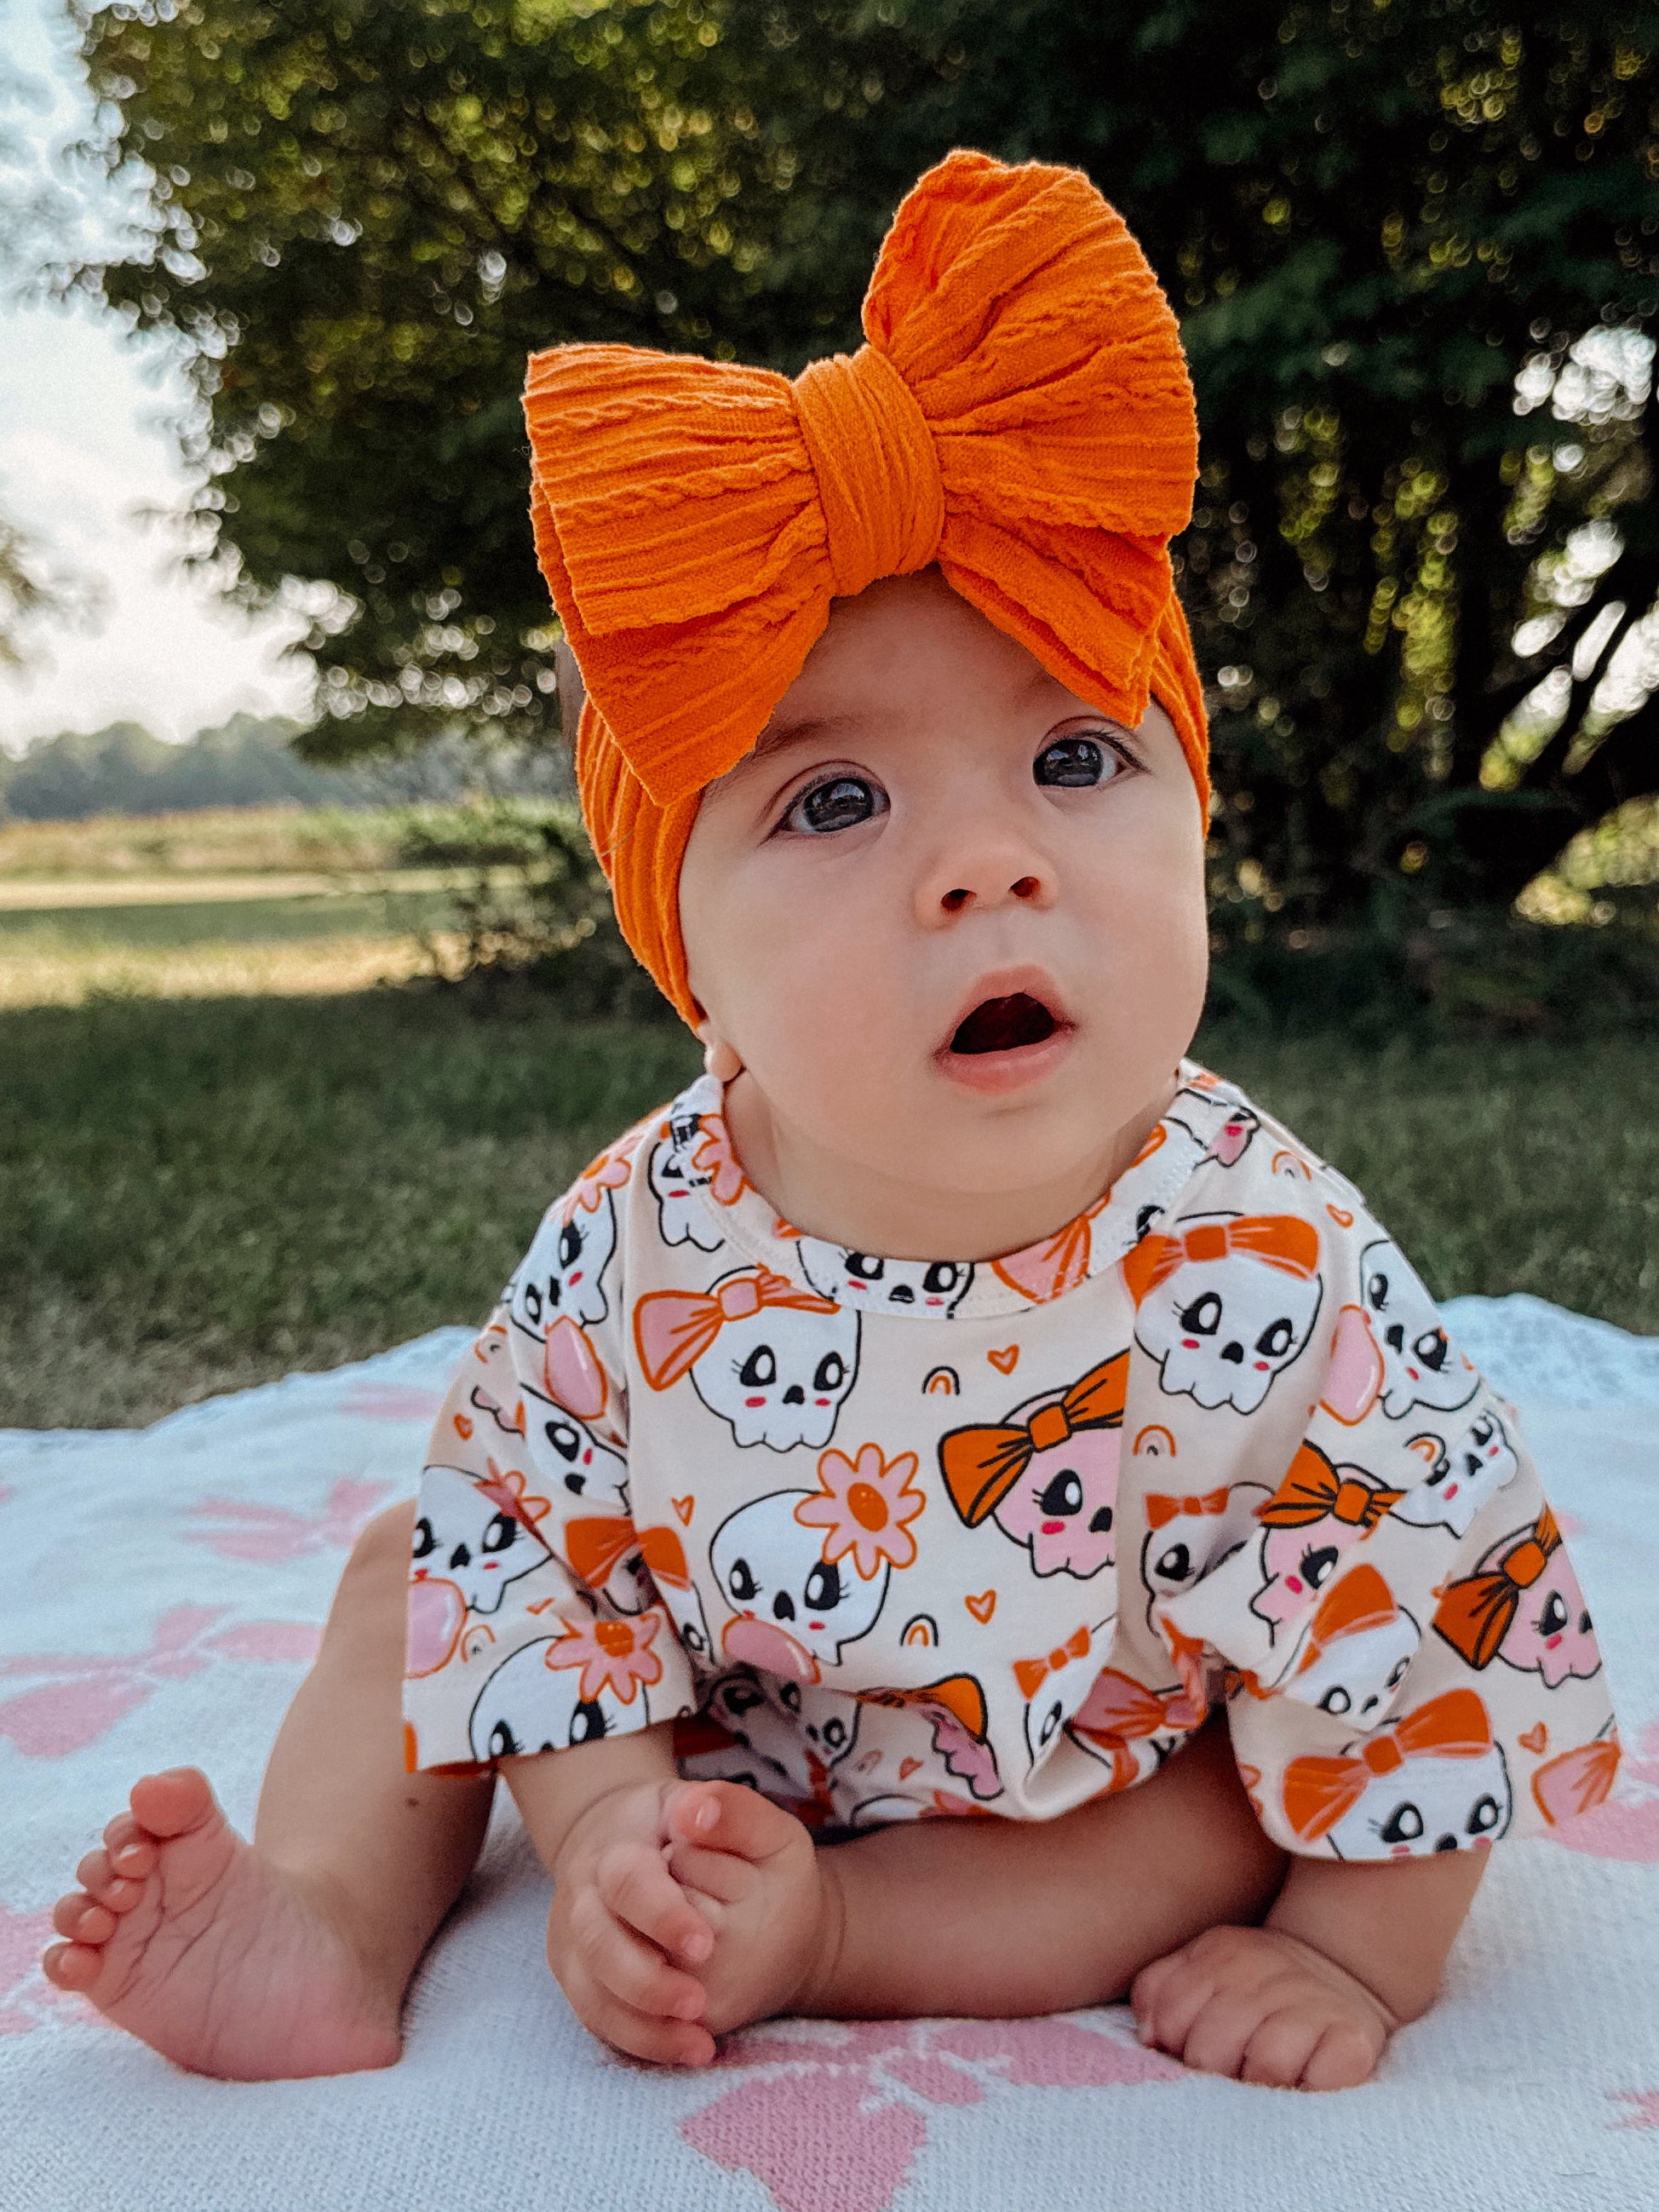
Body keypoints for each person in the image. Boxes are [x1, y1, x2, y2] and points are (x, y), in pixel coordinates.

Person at [43, 151, 1620, 2094]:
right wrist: (610, 1826)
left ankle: (837, 1938)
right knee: (411, 1571)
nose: (986, 864)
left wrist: (1350, 1955)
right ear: (686, 957)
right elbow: (538, 1543)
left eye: (1073, 756)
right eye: (836, 803)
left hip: (1081, 1775)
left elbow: (1410, 1601)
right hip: (718, 1725)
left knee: (1218, 1808)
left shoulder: (1260, 1256)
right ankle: (333, 1927)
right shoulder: (641, 1231)